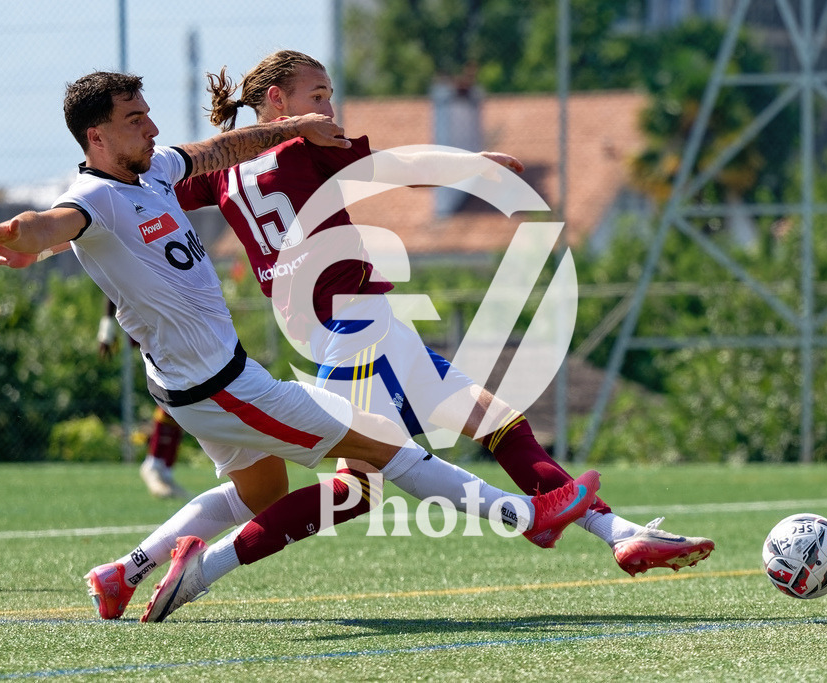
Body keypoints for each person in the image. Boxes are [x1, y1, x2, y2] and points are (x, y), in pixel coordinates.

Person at [0, 70, 601, 623]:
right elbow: (55, 222)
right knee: (384, 448)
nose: (152, 128)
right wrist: (26, 236)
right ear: (94, 138)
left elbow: (221, 148)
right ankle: (529, 517)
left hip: (197, 383)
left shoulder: (152, 171)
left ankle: (121, 574)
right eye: (135, 120)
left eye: (149, 114)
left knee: (261, 490)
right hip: (224, 388)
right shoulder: (93, 196)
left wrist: (294, 124)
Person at [174, 50, 715, 574]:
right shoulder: (304, 144)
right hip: (355, 327)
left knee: (495, 420)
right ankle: (203, 568)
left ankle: (620, 535)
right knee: (354, 490)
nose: (330, 109)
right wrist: (469, 165)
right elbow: (394, 166)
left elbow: (161, 183)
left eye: (330, 96)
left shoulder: (222, 174)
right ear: (277, 99)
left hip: (359, 325)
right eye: (318, 95)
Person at [98, 297, 188, 498]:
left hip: (171, 314)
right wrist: (106, 327)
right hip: (152, 317)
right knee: (177, 387)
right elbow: (110, 275)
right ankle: (155, 463)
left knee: (186, 390)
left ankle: (164, 468)